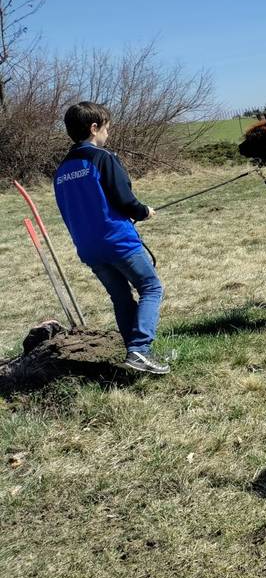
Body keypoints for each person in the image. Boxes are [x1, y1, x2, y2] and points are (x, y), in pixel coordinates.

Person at [53, 102, 169, 375]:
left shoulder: (61, 171)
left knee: (121, 298)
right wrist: (144, 212)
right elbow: (125, 200)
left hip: (89, 248)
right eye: (107, 128)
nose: (108, 134)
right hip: (118, 241)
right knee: (151, 287)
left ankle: (135, 356)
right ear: (94, 129)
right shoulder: (103, 158)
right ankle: (140, 349)